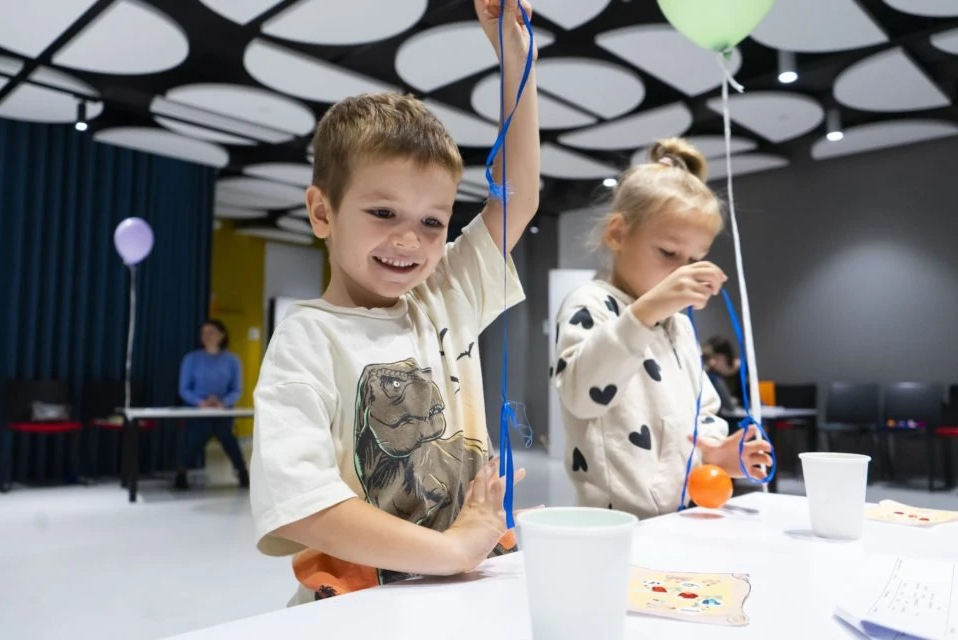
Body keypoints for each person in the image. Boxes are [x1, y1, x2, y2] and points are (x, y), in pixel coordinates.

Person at [249, 0, 540, 606]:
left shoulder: (442, 299)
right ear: (322, 212)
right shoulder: (307, 340)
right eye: (383, 212)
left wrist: (515, 54)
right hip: (361, 607)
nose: (410, 241)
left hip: (462, 591)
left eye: (433, 222)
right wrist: (452, 550)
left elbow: (520, 195)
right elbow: (302, 504)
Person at [551, 138, 772, 520]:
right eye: (668, 253)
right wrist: (645, 312)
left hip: (679, 517)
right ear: (618, 234)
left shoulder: (679, 326)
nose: (682, 271)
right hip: (614, 523)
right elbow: (583, 395)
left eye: (694, 259)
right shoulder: (590, 302)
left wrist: (715, 453)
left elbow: (700, 411)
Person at [176, 319, 249, 490]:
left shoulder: (232, 360)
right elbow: (184, 389)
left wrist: (222, 403)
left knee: (226, 435)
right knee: (198, 435)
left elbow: (236, 390)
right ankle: (182, 473)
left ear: (221, 335)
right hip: (197, 410)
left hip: (222, 410)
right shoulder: (191, 359)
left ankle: (242, 471)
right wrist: (201, 402)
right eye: (204, 333)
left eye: (211, 332)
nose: (207, 336)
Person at [704, 335, 743, 410]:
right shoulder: (712, 374)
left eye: (715, 357)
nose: (711, 362)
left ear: (725, 356)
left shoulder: (742, 369)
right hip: (727, 411)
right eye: (709, 358)